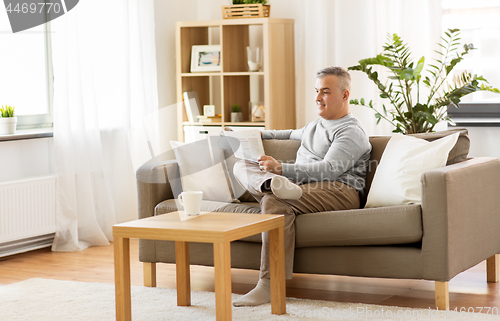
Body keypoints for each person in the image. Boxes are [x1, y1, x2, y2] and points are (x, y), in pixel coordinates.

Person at [231, 66, 372, 307]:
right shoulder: (315, 126)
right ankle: (271, 185)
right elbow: (285, 134)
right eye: (317, 91)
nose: (318, 98)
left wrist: (281, 169)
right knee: (240, 165)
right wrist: (247, 134)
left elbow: (328, 170)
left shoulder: (350, 132)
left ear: (345, 95)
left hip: (339, 189)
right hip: (301, 187)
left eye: (325, 92)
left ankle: (268, 285)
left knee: (275, 201)